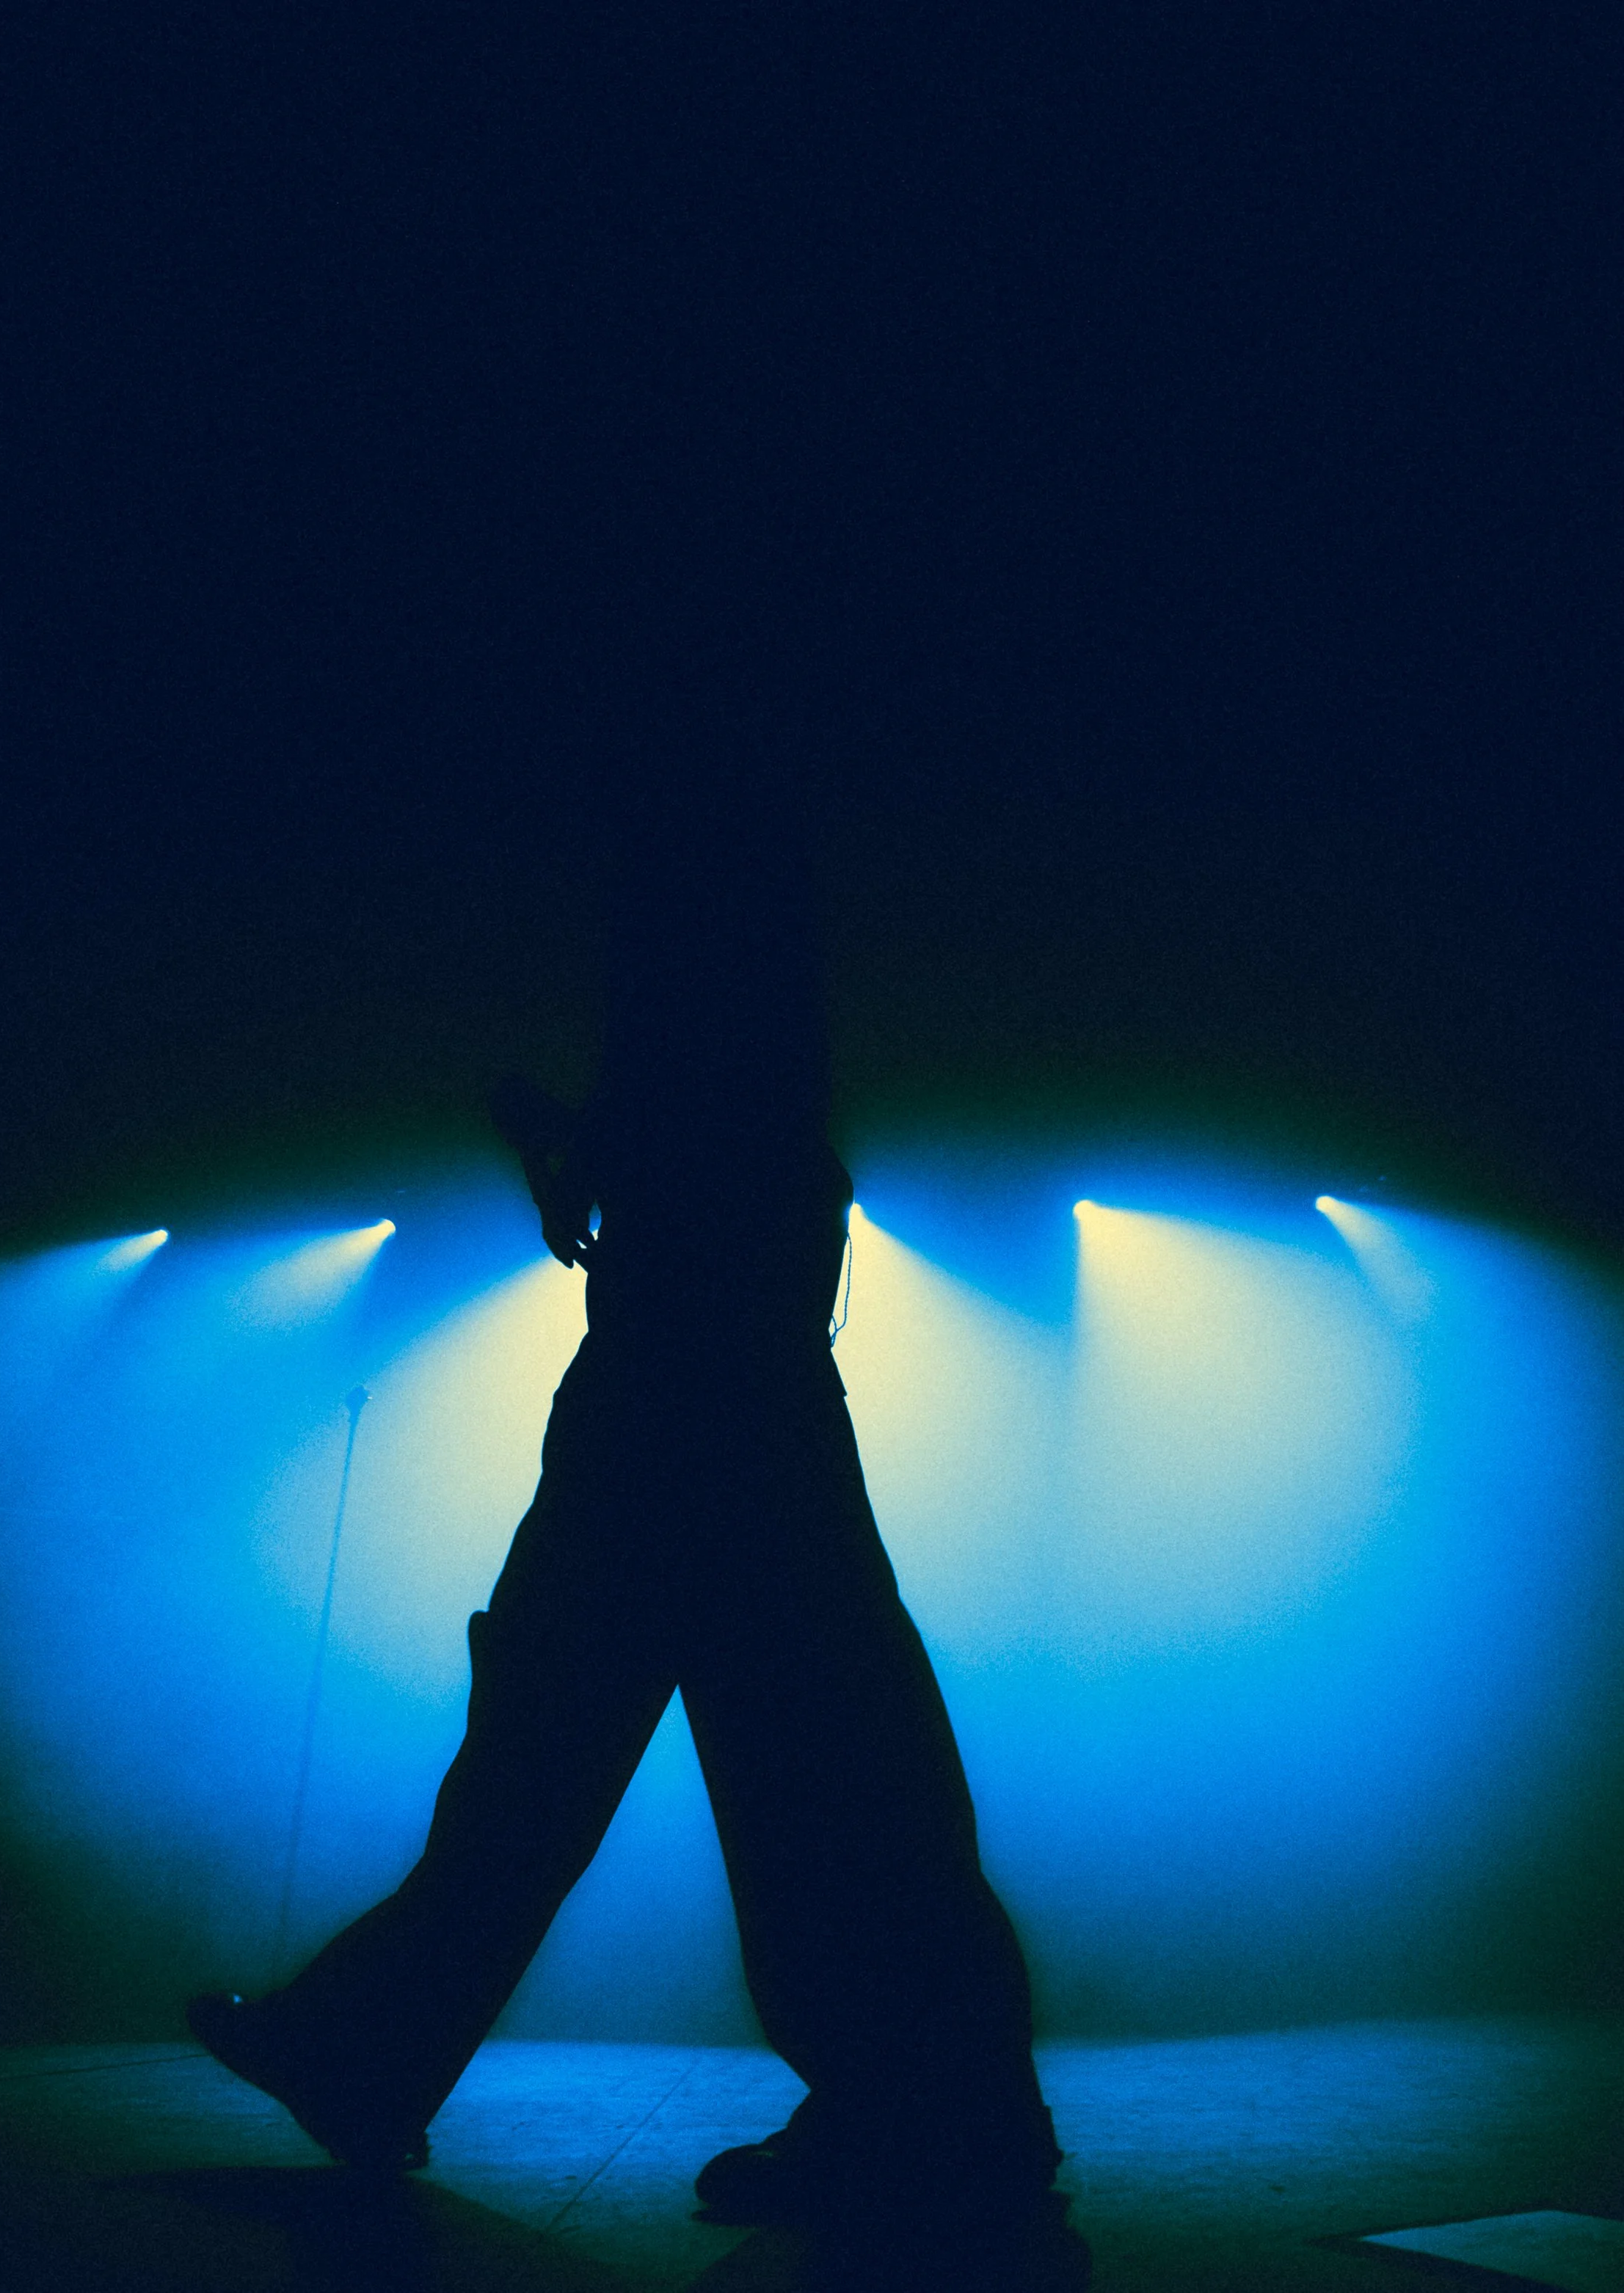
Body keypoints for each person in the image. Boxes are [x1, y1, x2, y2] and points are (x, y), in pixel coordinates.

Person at [190, 802, 1088, 2287]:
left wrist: (565, 1136)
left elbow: (703, 1113)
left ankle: (374, 2045)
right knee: (814, 1740)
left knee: (598, 1728)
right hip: (732, 1335)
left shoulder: (691, 872)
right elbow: (741, 1119)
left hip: (688, 1345)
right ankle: (930, 2107)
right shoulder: (738, 902)